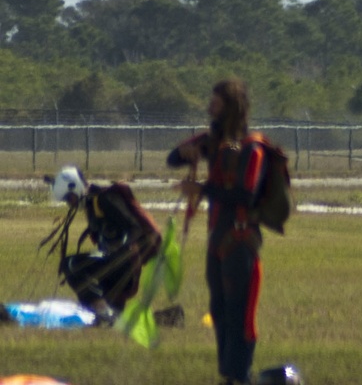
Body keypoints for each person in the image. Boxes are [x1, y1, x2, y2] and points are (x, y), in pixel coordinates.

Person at [169, 78, 266, 385]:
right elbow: (173, 159)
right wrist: (186, 152)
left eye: (216, 102)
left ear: (231, 106)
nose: (209, 106)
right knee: (219, 309)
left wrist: (200, 189)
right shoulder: (214, 142)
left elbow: (245, 195)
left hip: (240, 239)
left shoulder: (251, 147)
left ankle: (241, 375)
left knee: (240, 313)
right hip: (217, 239)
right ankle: (228, 375)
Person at [42, 165, 162, 324]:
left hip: (123, 266)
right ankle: (164, 319)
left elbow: (135, 228)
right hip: (117, 269)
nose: (69, 204)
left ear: (75, 187)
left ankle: (101, 309)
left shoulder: (104, 200)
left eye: (68, 198)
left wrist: (119, 252)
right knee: (115, 321)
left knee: (70, 264)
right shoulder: (92, 204)